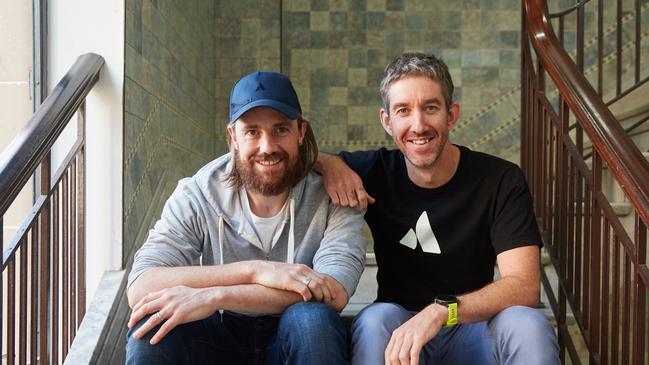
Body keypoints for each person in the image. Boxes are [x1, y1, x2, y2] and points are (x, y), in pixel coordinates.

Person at [315, 53, 560, 365]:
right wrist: (329, 163)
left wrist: (443, 310)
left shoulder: (499, 179)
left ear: (451, 114)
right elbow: (295, 155)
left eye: (430, 108)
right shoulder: (374, 171)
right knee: (376, 318)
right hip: (401, 333)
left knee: (528, 324)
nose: (418, 125)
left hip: (473, 328)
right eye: (403, 111)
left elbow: (524, 287)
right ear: (387, 121)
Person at [125, 71, 367, 364]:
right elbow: (141, 285)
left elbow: (335, 291)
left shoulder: (335, 194)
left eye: (280, 129)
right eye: (252, 131)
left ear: (301, 132)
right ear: (233, 136)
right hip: (218, 338)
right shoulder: (197, 193)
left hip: (291, 337)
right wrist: (254, 270)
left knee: (312, 321)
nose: (267, 146)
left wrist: (216, 296)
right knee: (152, 325)